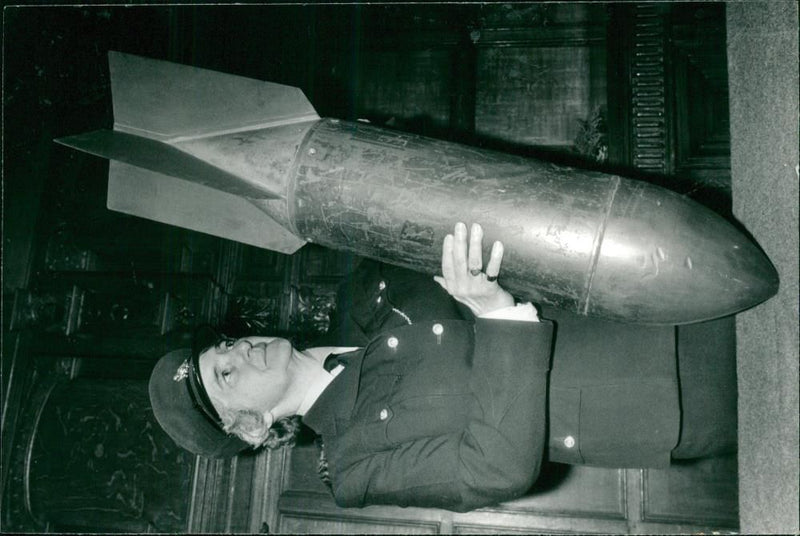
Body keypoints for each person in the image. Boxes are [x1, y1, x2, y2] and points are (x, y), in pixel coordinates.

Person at [149, 222, 736, 512]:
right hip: (659, 395)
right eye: (225, 376)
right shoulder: (355, 464)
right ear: (251, 425)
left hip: (646, 287)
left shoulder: (364, 292)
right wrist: (498, 316)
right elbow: (493, 469)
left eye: (225, 346)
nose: (241, 351)